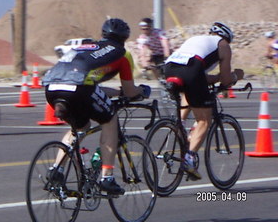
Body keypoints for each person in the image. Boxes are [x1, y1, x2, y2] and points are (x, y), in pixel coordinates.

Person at [42, 18, 151, 194]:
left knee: (80, 128)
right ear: (124, 38)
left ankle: (57, 169)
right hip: (79, 88)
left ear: (103, 34)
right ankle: (107, 177)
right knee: (110, 121)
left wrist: (116, 92)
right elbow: (130, 91)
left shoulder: (87, 47)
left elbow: (93, 86)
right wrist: (142, 91)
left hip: (52, 88)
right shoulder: (122, 54)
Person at [164, 22, 244, 180]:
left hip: (169, 67)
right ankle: (189, 159)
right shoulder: (223, 45)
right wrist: (236, 76)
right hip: (191, 69)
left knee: (189, 89)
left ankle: (180, 125)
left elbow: (198, 75)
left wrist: (214, 78)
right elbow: (226, 80)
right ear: (226, 38)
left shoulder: (197, 39)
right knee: (204, 120)